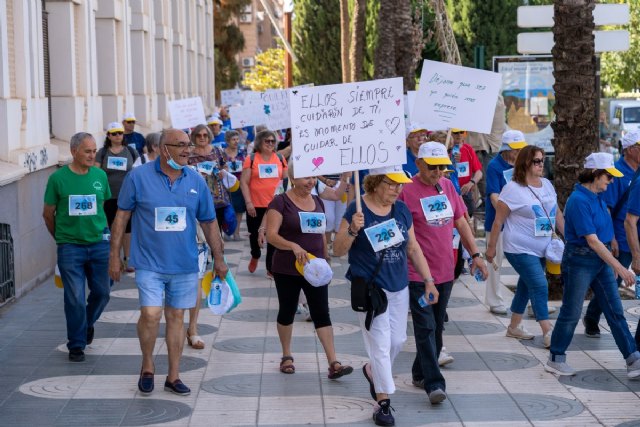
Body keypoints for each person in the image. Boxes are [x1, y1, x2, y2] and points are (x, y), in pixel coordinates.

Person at [108, 129, 228, 396]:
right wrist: (114, 256)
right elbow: (121, 217)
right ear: (164, 149)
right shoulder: (138, 177)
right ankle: (148, 364)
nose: (188, 150)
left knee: (176, 318)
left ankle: (173, 376)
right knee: (150, 314)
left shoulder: (196, 180)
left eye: (189, 145)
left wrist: (219, 259)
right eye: (182, 145)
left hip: (184, 264)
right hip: (149, 263)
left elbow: (209, 222)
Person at [333, 165, 438, 427]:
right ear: (376, 183)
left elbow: (413, 247)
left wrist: (428, 280)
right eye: (392, 184)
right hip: (371, 290)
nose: (397, 189)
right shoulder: (357, 209)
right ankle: (384, 403)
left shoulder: (401, 209)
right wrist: (353, 230)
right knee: (380, 345)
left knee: (398, 341)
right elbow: (337, 250)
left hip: (399, 287)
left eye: (400, 184)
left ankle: (372, 372)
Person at [399, 141, 488, 398]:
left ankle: (419, 372)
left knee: (437, 327)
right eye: (432, 167)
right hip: (418, 274)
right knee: (425, 326)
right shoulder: (406, 191)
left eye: (442, 167)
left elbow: (461, 221)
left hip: (446, 271)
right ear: (418, 164)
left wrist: (476, 255)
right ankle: (434, 383)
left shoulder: (447, 186)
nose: (438, 171)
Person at [545, 152, 640, 378]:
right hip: (580, 260)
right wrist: (619, 267)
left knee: (615, 310)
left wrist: (612, 244)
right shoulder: (578, 201)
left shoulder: (597, 196)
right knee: (571, 311)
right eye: (608, 176)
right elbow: (592, 240)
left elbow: (602, 235)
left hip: (600, 259)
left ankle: (633, 359)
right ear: (596, 174)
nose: (611, 181)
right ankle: (556, 358)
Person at [265, 165, 353, 380]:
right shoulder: (280, 202)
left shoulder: (319, 201)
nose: (311, 181)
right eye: (305, 177)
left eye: (313, 176)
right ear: (292, 178)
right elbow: (271, 235)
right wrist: (293, 246)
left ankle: (333, 362)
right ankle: (286, 355)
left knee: (321, 312)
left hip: (315, 268)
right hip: (287, 267)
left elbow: (320, 234)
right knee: (287, 311)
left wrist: (325, 258)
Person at [486, 145, 564, 348]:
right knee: (539, 284)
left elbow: (556, 213)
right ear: (526, 164)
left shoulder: (547, 184)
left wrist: (568, 237)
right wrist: (491, 248)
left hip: (544, 247)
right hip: (519, 247)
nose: (541, 165)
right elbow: (498, 221)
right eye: (537, 161)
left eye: (543, 160)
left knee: (526, 285)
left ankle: (514, 326)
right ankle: (548, 330)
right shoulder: (512, 189)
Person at [43, 132, 111, 362]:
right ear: (74, 152)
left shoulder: (100, 176)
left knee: (102, 293)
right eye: (87, 151)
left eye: (94, 151)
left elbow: (104, 208)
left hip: (99, 244)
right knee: (74, 297)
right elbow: (47, 214)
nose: (93, 155)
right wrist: (62, 238)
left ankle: (87, 323)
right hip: (70, 247)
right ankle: (76, 344)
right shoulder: (58, 179)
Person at [583, 130, 640, 337]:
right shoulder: (616, 172)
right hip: (623, 238)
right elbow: (607, 208)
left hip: (637, 238)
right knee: (612, 282)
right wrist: (612, 237)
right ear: (630, 149)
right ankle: (591, 317)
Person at [186, 123, 234, 349]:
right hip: (188, 214)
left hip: (213, 207)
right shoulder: (186, 156)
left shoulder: (217, 152)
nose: (203, 138)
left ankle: (192, 328)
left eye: (206, 135)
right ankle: (180, 324)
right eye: (199, 135)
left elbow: (227, 173)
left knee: (197, 275)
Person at [483, 130, 527, 315]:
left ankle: (532, 299)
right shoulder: (495, 166)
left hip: (519, 222)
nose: (518, 153)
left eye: (521, 149)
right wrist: (507, 211)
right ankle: (494, 300)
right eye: (515, 149)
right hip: (497, 222)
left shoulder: (523, 165)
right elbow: (494, 196)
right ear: (506, 148)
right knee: (495, 262)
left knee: (527, 261)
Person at [240, 130, 287, 274]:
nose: (270, 144)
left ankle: (270, 268)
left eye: (273, 141)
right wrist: (248, 203)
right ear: (260, 142)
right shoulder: (252, 158)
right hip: (256, 205)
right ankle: (255, 255)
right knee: (254, 235)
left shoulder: (279, 158)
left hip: (275, 206)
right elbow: (244, 182)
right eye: (267, 141)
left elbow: (286, 181)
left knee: (273, 235)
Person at [96, 122, 139, 272]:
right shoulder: (102, 152)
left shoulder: (130, 152)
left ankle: (128, 258)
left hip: (126, 196)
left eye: (120, 133)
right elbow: (96, 173)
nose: (118, 136)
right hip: (108, 197)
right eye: (114, 133)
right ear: (108, 136)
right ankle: (114, 258)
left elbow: (137, 172)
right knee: (110, 228)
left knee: (127, 228)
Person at [450, 128, 483, 217]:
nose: (459, 135)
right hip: (450, 191)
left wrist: (471, 183)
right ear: (450, 133)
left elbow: (479, 172)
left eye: (462, 132)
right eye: (456, 132)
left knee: (470, 212)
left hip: (465, 191)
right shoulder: (445, 149)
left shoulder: (468, 149)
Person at [223, 130, 247, 241]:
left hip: (239, 184)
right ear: (227, 141)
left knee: (239, 209)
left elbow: (247, 167)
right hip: (226, 185)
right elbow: (219, 166)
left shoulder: (242, 152)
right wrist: (224, 168)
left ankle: (236, 232)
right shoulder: (222, 153)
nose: (236, 142)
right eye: (233, 139)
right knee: (226, 209)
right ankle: (227, 231)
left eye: (237, 139)